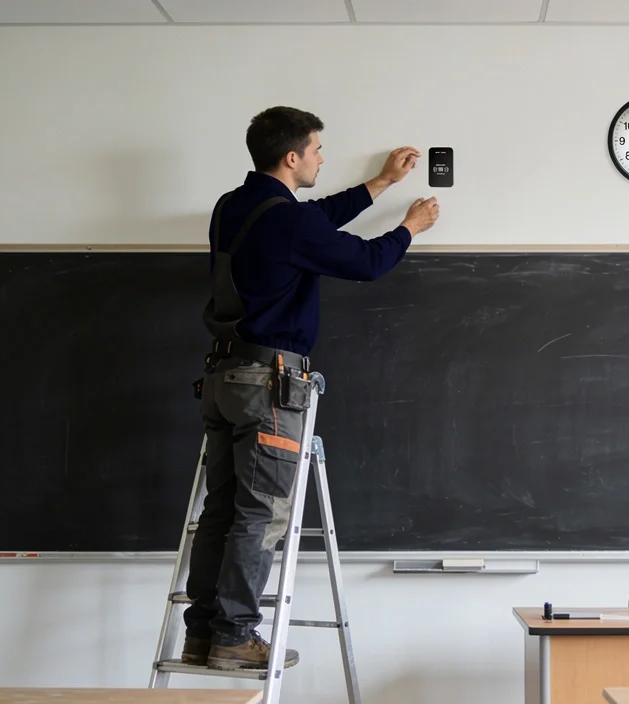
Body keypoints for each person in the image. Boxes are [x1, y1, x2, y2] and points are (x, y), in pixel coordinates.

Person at [183, 106, 440, 671]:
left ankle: (201, 633)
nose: (323, 158)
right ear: (292, 156)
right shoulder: (288, 222)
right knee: (262, 514)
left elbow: (315, 217)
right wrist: (409, 229)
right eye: (318, 150)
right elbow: (367, 261)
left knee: (223, 511)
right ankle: (234, 637)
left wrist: (379, 185)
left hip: (224, 375)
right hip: (269, 385)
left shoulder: (234, 207)